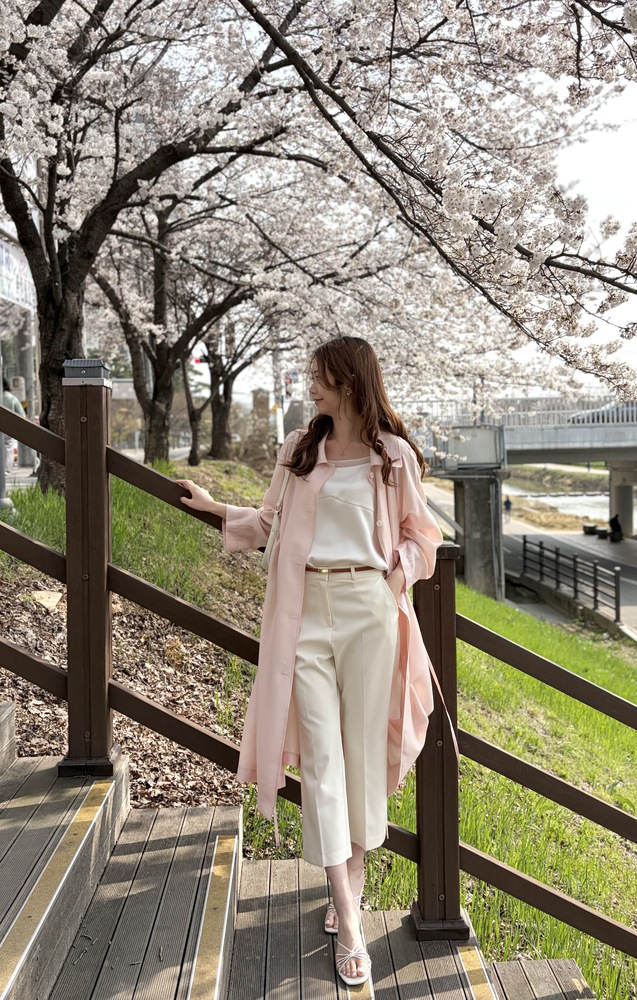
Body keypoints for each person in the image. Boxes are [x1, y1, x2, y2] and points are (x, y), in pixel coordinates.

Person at [176, 337, 442, 987]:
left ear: (351, 382)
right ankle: (351, 921)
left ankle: (346, 885)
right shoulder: (301, 450)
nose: (310, 385)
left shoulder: (391, 457)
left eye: (320, 377)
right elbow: (267, 521)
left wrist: (392, 576)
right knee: (322, 759)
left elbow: (422, 539)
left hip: (368, 609)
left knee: (360, 757)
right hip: (304, 612)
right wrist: (215, 509)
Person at [2, 376, 25, 473]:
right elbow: (22, 415)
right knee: (8, 446)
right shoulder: (11, 398)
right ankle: (6, 469)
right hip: (8, 428)